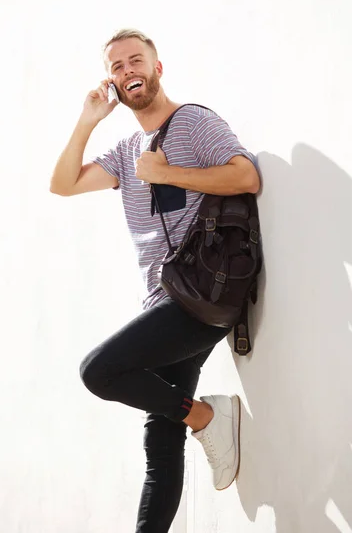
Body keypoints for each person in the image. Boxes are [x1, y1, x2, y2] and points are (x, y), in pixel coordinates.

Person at [50, 29, 260, 533]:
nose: (128, 71)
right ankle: (198, 418)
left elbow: (245, 176)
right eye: (118, 67)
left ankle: (208, 419)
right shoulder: (126, 149)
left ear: (158, 67)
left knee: (98, 371)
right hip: (162, 303)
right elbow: (63, 184)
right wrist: (87, 121)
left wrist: (167, 175)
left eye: (136, 61)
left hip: (199, 294)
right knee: (161, 445)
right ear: (113, 82)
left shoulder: (193, 124)